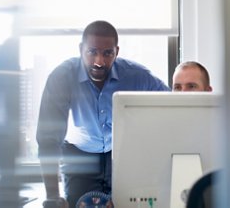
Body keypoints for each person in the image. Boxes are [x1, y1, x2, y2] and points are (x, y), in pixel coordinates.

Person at [36, 20, 170, 208]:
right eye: (92, 52)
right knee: (77, 204)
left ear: (117, 51)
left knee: (127, 203)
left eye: (108, 53)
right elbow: (48, 139)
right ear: (81, 49)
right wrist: (52, 197)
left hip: (121, 152)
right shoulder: (62, 76)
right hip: (79, 153)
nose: (99, 62)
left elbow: (171, 106)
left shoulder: (136, 75)